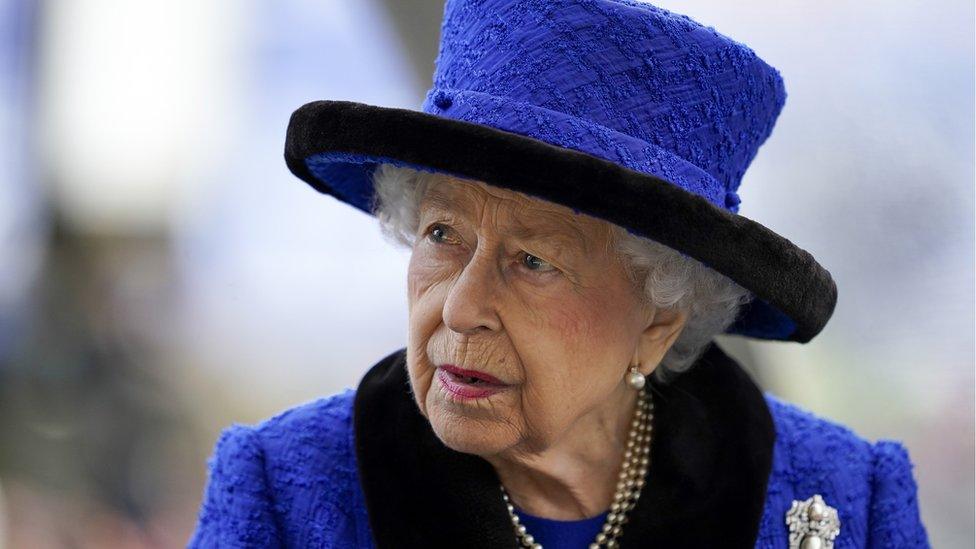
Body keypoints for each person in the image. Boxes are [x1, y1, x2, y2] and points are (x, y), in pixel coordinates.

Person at [189, 0, 929, 547]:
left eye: (534, 260)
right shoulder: (283, 492)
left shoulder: (847, 500)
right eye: (443, 234)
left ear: (658, 319)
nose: (461, 307)